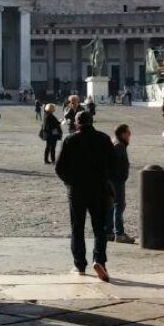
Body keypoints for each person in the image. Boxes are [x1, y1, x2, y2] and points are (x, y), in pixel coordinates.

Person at [54, 109, 116, 281]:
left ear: (76, 123)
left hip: (77, 191)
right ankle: (100, 260)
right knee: (100, 228)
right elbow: (113, 164)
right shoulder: (103, 139)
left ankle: (80, 265)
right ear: (92, 122)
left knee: (77, 227)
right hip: (99, 189)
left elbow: (59, 168)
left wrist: (70, 183)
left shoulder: (70, 140)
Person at [107, 123, 135, 243]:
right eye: (128, 133)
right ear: (122, 134)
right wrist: (120, 176)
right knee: (119, 205)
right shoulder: (119, 146)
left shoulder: (115, 142)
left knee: (112, 206)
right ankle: (119, 233)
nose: (130, 135)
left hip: (112, 179)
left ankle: (108, 232)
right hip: (116, 180)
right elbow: (113, 163)